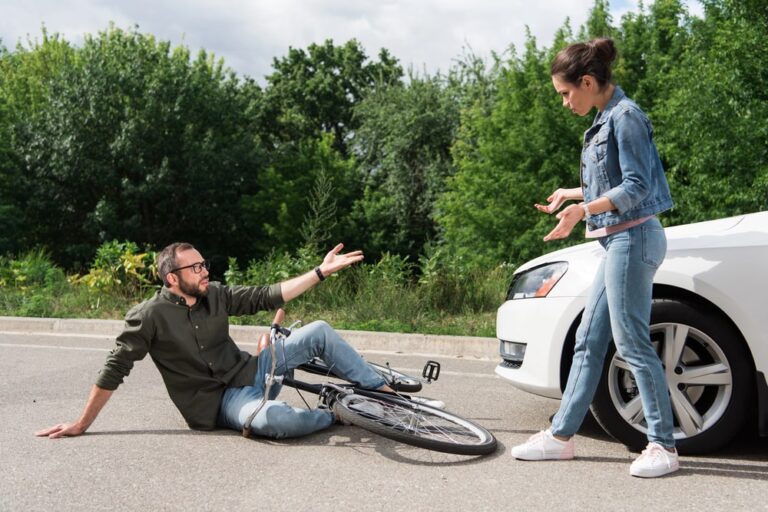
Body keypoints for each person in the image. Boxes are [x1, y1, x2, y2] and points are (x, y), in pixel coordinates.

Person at [509, 38, 679, 478]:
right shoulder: (606, 118)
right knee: (588, 340)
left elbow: (639, 187)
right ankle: (561, 437)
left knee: (632, 343)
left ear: (587, 81)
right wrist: (574, 193)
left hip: (634, 239)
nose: (564, 103)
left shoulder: (626, 118)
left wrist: (583, 210)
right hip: (618, 241)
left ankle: (662, 445)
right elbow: (615, 182)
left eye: (566, 93)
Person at [36, 242, 400, 440]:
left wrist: (319, 272)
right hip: (222, 403)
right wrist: (81, 424)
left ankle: (383, 394)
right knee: (277, 421)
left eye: (203, 264)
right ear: (171, 279)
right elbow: (114, 369)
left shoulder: (217, 294)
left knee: (318, 329)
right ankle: (335, 414)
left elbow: (267, 295)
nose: (205, 270)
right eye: (195, 268)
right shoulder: (149, 316)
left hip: (252, 371)